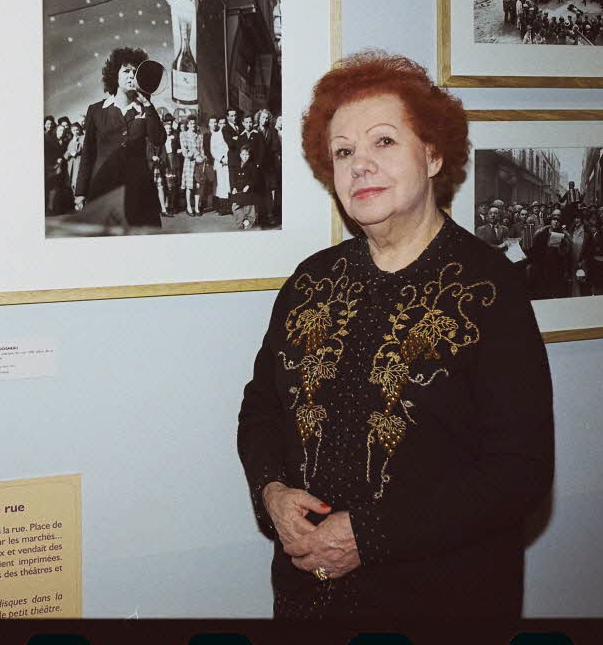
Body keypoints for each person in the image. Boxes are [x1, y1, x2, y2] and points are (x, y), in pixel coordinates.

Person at [237, 50, 553, 619]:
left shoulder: (490, 289)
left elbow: (519, 471)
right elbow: (260, 407)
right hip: (307, 598)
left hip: (439, 600)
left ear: (432, 154)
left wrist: (371, 536)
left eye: (384, 142)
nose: (360, 165)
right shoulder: (312, 280)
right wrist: (271, 493)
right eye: (343, 151)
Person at [73, 47, 165, 231]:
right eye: (126, 71)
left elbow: (158, 139)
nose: (131, 76)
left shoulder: (145, 109)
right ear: (114, 75)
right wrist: (81, 192)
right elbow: (88, 153)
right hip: (103, 189)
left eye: (135, 72)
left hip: (139, 192)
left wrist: (147, 103)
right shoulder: (96, 111)